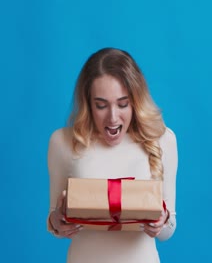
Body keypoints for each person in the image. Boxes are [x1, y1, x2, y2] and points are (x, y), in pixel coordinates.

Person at [46, 47, 178, 263]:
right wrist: (57, 222)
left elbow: (168, 230)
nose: (113, 117)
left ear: (135, 101)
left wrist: (161, 222)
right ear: (88, 103)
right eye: (101, 105)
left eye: (123, 104)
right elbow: (54, 222)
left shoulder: (163, 140)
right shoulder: (62, 142)